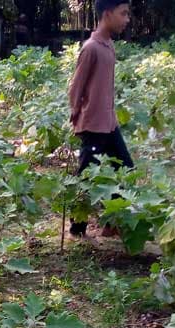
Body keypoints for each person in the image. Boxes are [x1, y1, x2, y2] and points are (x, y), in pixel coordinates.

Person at [67, 0, 132, 238]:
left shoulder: (109, 46)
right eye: (123, 13)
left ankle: (112, 222)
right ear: (107, 14)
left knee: (125, 168)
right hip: (93, 126)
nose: (127, 19)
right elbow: (76, 86)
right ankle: (77, 230)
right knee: (87, 178)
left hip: (109, 122)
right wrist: (76, 111)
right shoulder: (91, 48)